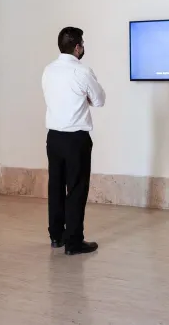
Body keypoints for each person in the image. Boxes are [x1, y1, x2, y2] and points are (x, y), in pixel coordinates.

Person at [41, 27, 106, 255]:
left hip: (54, 137)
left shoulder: (48, 70)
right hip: (76, 138)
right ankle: (74, 241)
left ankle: (56, 236)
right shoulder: (82, 71)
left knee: (55, 187)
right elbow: (99, 100)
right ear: (77, 47)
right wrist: (83, 98)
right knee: (76, 189)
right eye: (83, 44)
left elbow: (53, 98)